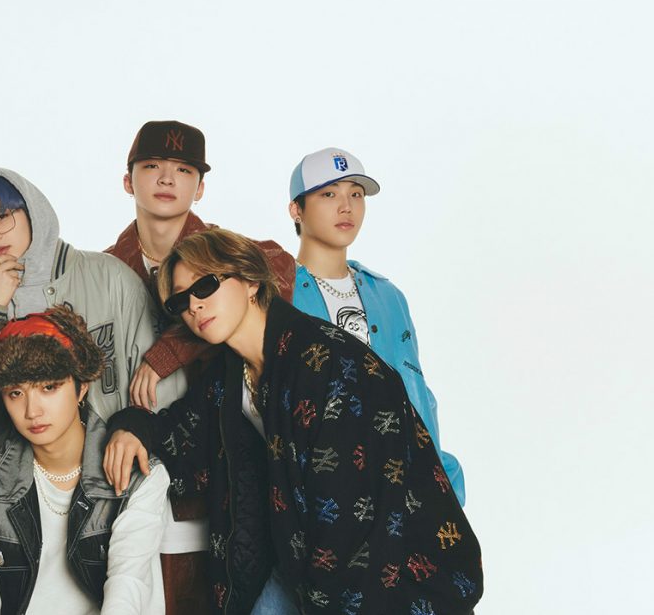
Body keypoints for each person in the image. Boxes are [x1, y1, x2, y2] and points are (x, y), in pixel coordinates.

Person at [104, 230, 482, 614]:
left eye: (205, 285)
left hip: (395, 576)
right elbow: (183, 433)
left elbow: (352, 525)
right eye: (180, 301)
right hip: (301, 563)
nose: (194, 306)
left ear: (251, 282)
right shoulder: (230, 373)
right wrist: (131, 427)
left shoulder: (327, 366)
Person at [105, 120, 296, 614]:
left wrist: (170, 350)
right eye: (152, 166)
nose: (167, 178)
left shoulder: (227, 254)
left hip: (224, 462)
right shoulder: (106, 269)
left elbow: (278, 266)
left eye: (184, 169)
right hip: (134, 462)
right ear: (128, 180)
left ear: (201, 187)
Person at [0, 166, 184, 459]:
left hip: (117, 471)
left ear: (31, 211)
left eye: (2, 216)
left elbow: (165, 388)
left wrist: (136, 430)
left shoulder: (109, 276)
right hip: (12, 480)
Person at [0, 307, 170, 614]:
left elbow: (128, 585)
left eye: (49, 387)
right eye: (15, 393)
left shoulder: (139, 477)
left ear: (82, 387)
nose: (32, 411)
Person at [287, 147, 465, 505]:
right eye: (329, 194)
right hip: (320, 491)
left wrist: (441, 484)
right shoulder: (278, 293)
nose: (346, 207)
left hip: (398, 488)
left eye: (356, 194)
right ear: (296, 210)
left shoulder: (388, 295)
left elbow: (416, 392)